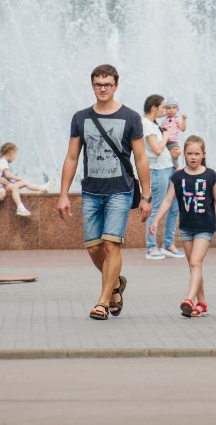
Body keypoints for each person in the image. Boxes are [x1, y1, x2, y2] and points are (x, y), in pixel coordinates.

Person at [57, 64, 151, 321]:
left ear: (116, 85)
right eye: (98, 84)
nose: (103, 89)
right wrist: (63, 193)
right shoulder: (81, 117)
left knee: (111, 244)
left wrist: (146, 196)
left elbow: (141, 158)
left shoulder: (130, 118)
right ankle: (116, 285)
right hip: (91, 191)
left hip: (120, 190)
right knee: (93, 248)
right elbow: (72, 156)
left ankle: (102, 300)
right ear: (92, 86)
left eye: (107, 84)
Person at [149, 135, 216, 317]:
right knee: (193, 267)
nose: (193, 157)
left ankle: (189, 300)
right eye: (189, 153)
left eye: (196, 153)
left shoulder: (210, 174)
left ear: (203, 154)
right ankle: (203, 304)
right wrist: (156, 220)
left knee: (195, 262)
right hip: (186, 227)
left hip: (205, 226)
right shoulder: (178, 176)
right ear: (183, 154)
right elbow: (168, 200)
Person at [143, 95, 182, 259]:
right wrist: (165, 137)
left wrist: (172, 151)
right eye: (162, 107)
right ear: (154, 107)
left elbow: (162, 148)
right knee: (157, 208)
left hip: (169, 168)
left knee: (174, 207)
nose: (165, 110)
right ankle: (151, 247)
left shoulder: (154, 124)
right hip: (158, 171)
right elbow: (156, 150)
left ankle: (168, 244)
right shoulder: (145, 124)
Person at [161, 98, 187, 168]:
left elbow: (183, 129)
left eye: (174, 108)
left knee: (174, 162)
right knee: (166, 162)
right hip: (164, 144)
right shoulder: (164, 120)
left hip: (173, 144)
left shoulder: (177, 118)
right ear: (165, 109)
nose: (171, 110)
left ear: (177, 109)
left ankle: (178, 172)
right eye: (168, 108)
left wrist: (184, 120)